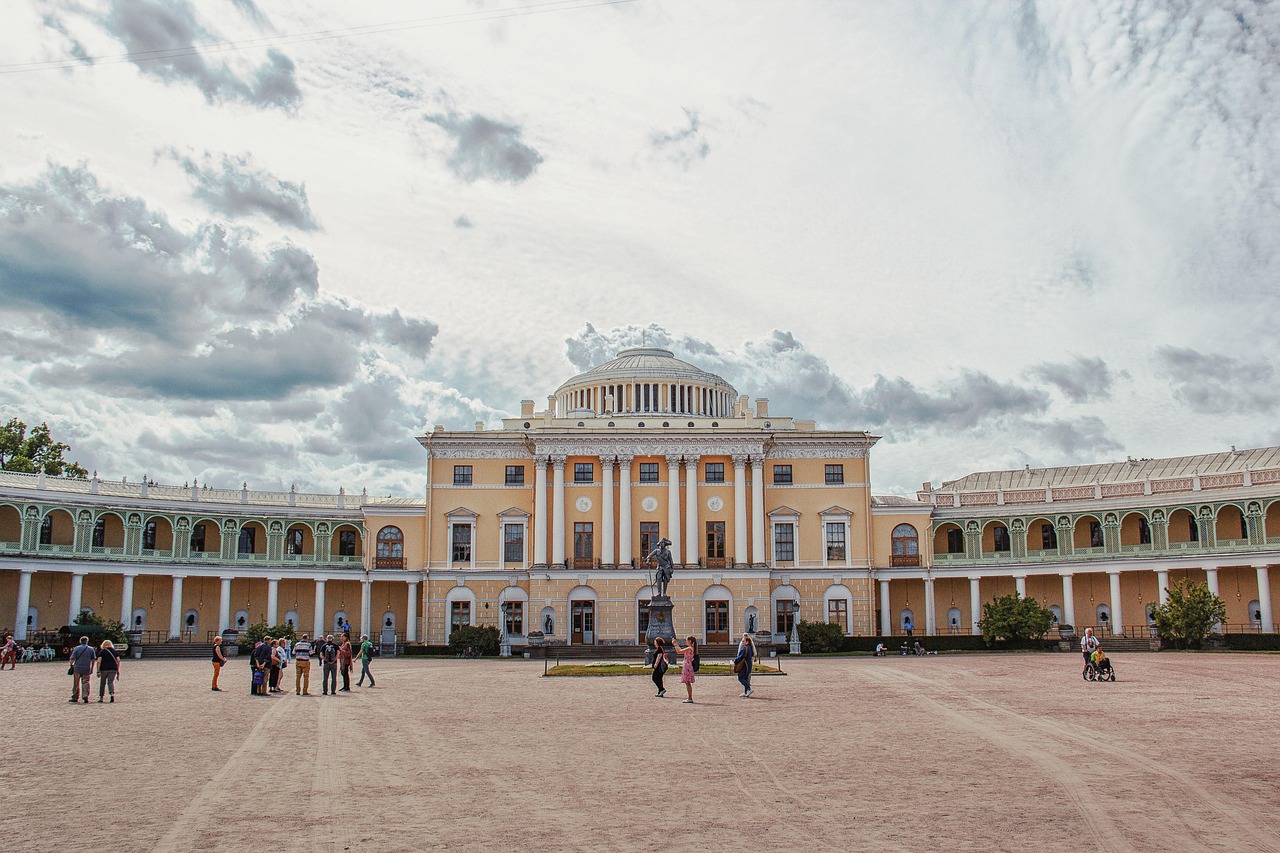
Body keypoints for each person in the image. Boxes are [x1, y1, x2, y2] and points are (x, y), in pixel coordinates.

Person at [68, 635, 96, 704]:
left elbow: (72, 659)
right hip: (86, 668)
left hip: (77, 668)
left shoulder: (77, 648)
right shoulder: (91, 649)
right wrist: (92, 668)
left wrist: (71, 666)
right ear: (87, 641)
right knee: (86, 682)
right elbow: (93, 660)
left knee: (76, 683)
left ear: (80, 641)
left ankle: (75, 697)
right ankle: (85, 696)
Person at [671, 635, 697, 703]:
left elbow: (679, 651)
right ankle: (689, 697)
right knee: (687, 682)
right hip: (688, 665)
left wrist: (675, 644)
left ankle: (690, 698)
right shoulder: (690, 648)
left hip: (687, 666)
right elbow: (679, 650)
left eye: (687, 640)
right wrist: (675, 645)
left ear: (690, 641)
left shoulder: (689, 648)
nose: (686, 641)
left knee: (687, 682)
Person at [732, 633, 756, 698]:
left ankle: (749, 688)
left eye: (743, 641)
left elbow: (740, 657)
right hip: (748, 665)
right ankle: (746, 692)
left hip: (744, 666)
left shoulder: (744, 648)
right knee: (745, 677)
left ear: (747, 642)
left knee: (740, 677)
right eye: (742, 641)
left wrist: (734, 661)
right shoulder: (749, 647)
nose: (742, 642)